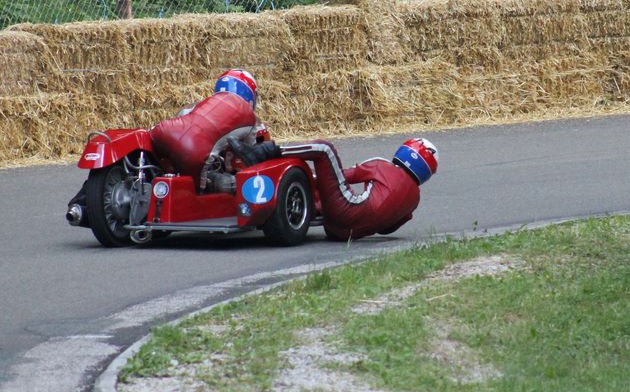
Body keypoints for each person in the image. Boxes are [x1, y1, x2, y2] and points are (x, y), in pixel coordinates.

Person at [66, 68, 275, 224]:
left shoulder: (196, 107)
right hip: (194, 156)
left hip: (164, 132)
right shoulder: (250, 118)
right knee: (222, 182)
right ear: (250, 95)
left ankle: (81, 203)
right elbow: (261, 160)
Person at [231, 137, 438, 241]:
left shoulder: (382, 165)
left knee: (325, 149)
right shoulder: (414, 201)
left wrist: (312, 177)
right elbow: (386, 229)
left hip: (344, 212)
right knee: (340, 195)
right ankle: (309, 206)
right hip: (343, 234)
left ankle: (265, 152)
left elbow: (345, 175)